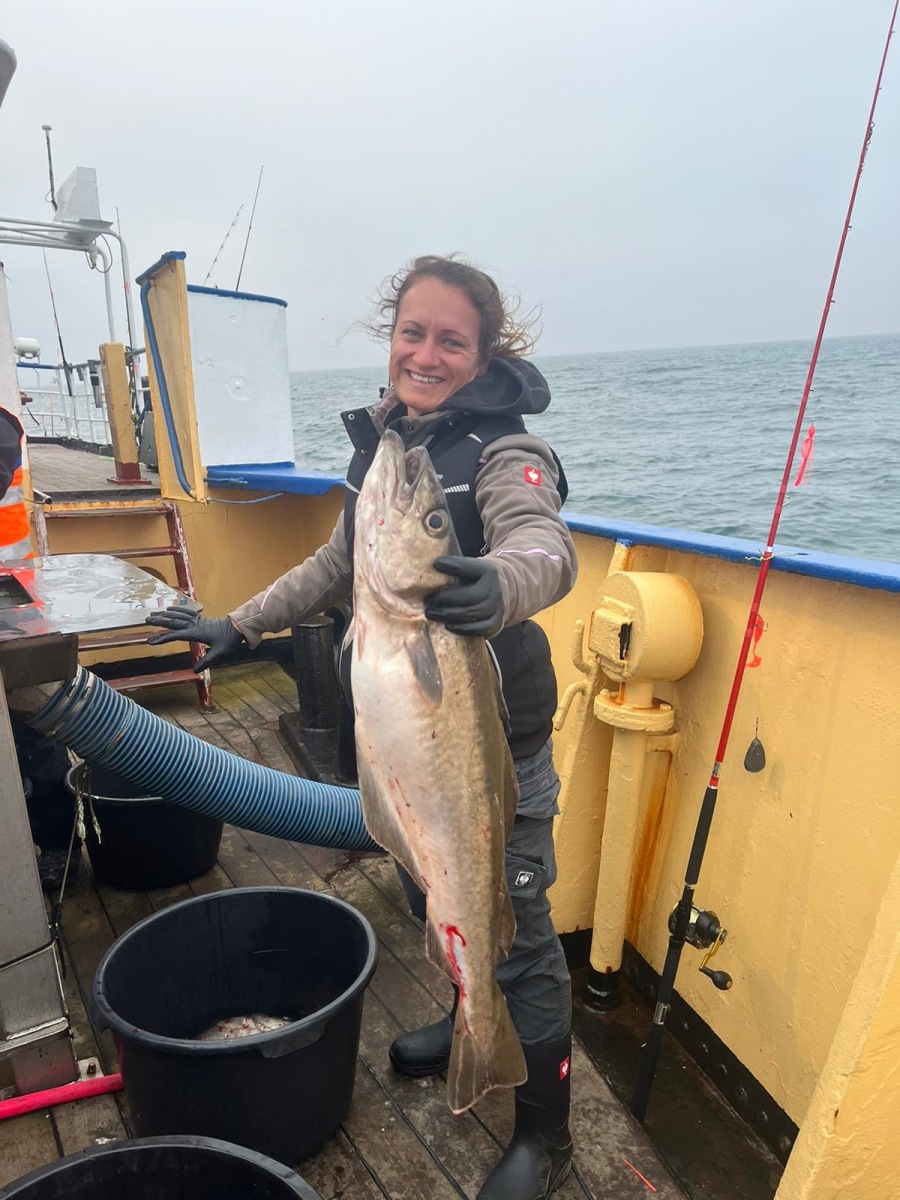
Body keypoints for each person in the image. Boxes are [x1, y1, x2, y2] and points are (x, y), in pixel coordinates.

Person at [147, 255, 578, 1200]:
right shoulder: (389, 451)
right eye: (411, 332)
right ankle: (467, 1017)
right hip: (410, 759)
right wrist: (237, 625)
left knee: (517, 934)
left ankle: (548, 1133)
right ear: (391, 338)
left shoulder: (506, 452)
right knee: (434, 892)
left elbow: (544, 545)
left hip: (490, 756)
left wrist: (500, 583)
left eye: (451, 341)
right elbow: (337, 563)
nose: (426, 353)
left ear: (483, 356)